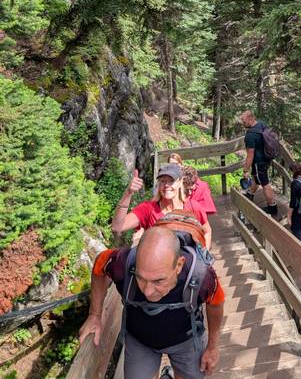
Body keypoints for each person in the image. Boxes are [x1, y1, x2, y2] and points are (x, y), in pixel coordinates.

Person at [79, 226, 224, 379]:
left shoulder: (201, 276)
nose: (147, 291)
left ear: (179, 265)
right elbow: (99, 265)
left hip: (186, 341)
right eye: (140, 277)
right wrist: (94, 316)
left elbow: (216, 302)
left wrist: (212, 347)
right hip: (140, 340)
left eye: (159, 280)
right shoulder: (123, 263)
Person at [112, 164, 212, 249]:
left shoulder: (194, 207)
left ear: (180, 182)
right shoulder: (148, 209)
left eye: (171, 180)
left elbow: (207, 231)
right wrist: (128, 193)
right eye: (162, 181)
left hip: (188, 267)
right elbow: (117, 226)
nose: (166, 185)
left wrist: (204, 256)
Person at [239, 110, 278, 216]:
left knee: (265, 184)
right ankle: (250, 194)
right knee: (256, 178)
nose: (242, 123)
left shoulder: (250, 136)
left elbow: (250, 156)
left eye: (244, 121)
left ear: (251, 118)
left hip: (258, 163)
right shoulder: (261, 124)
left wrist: (245, 170)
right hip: (267, 158)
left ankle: (272, 207)